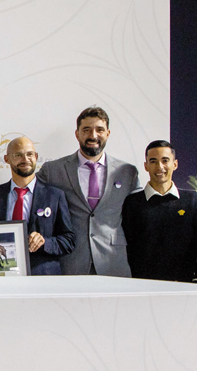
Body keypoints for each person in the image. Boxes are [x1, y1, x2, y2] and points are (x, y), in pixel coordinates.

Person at [37, 106, 139, 276]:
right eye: (86, 130)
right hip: (70, 260)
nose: (93, 136)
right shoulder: (53, 170)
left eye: (99, 130)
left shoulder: (127, 172)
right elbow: (31, 199)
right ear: (77, 134)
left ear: (108, 133)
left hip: (113, 262)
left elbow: (138, 217)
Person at [121, 140, 197, 282]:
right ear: (146, 166)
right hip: (142, 287)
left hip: (184, 287)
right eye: (153, 161)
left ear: (174, 164)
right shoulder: (132, 203)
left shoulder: (192, 200)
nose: (159, 167)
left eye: (165, 160)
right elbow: (128, 248)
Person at [0, 136, 74, 275]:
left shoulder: (55, 195)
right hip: (4, 275)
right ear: (7, 159)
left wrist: (44, 242)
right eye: (18, 155)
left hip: (44, 277)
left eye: (29, 154)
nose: (25, 159)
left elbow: (68, 241)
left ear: (36, 156)